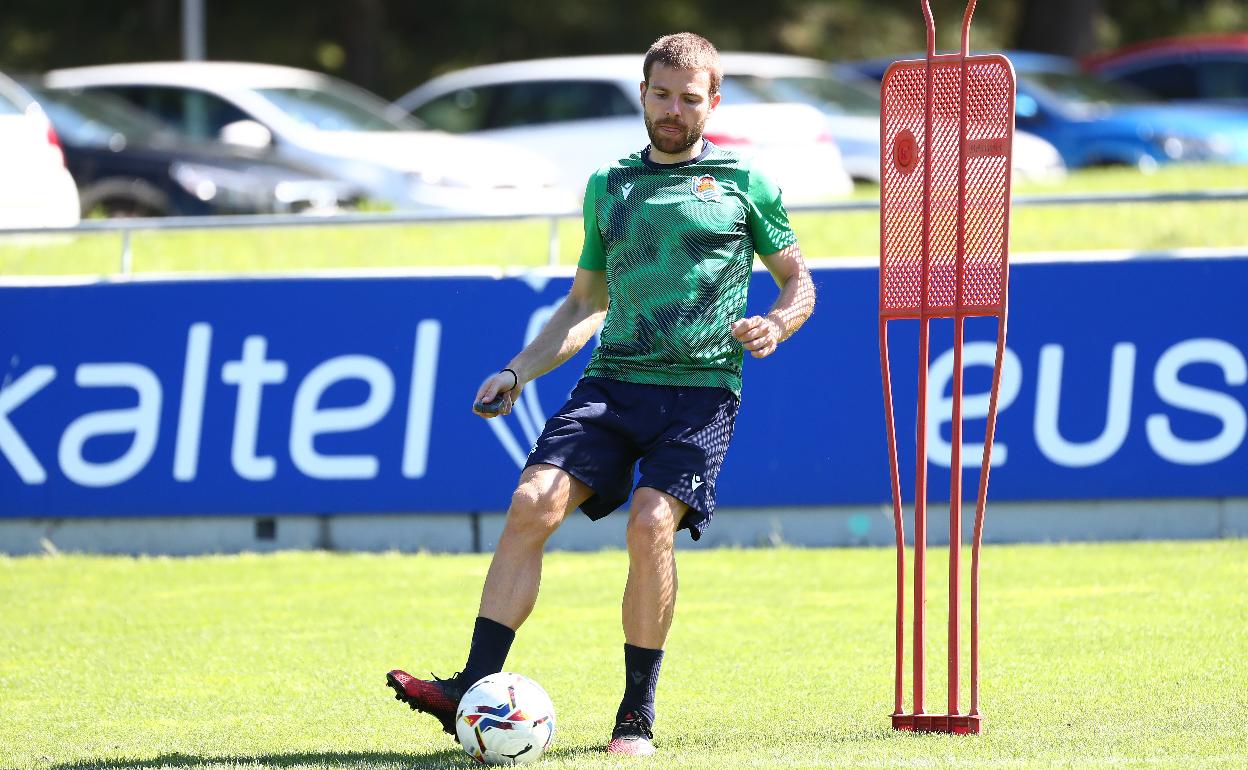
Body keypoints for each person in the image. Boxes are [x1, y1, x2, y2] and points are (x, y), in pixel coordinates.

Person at [386, 31, 815, 757]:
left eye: (689, 98)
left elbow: (798, 281)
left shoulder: (746, 182)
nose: (673, 110)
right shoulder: (609, 185)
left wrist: (777, 322)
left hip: (700, 392)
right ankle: (471, 685)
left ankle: (635, 717)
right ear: (642, 94)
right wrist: (518, 371)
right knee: (531, 503)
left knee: (649, 523)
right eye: (661, 95)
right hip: (612, 383)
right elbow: (585, 303)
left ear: (713, 102)